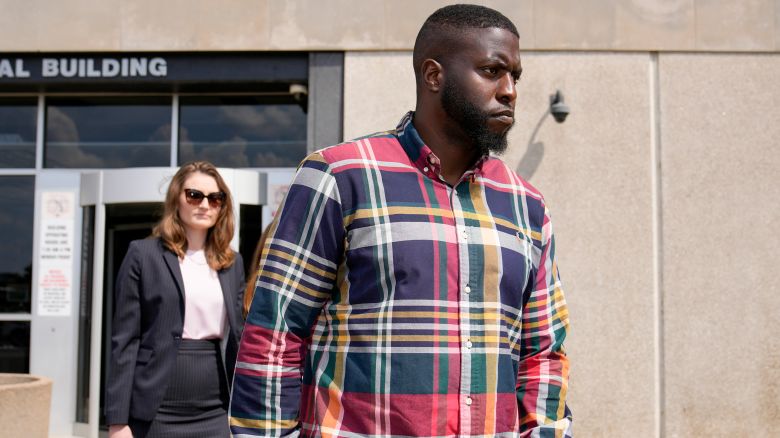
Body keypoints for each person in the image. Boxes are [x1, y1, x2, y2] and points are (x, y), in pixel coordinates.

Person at [230, 4, 571, 437]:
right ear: (434, 75)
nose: (509, 91)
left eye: (515, 76)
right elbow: (276, 333)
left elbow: (543, 353)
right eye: (491, 71)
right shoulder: (339, 176)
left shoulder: (526, 204)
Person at [106, 161, 245, 438]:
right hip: (156, 407)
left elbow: (241, 336)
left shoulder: (232, 262)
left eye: (215, 198)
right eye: (194, 195)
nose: (205, 204)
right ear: (176, 199)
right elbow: (125, 341)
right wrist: (117, 421)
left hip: (215, 406)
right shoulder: (143, 255)